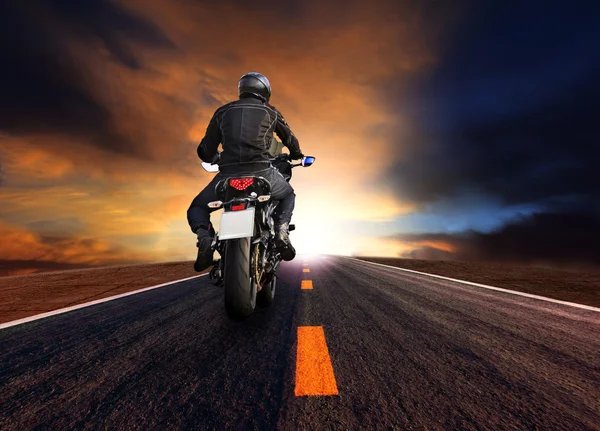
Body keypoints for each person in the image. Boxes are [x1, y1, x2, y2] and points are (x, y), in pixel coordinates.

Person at [187, 72, 304, 272]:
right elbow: (290, 139)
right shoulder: (271, 112)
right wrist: (296, 154)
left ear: (242, 90)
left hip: (227, 175)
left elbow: (205, 150)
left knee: (197, 207)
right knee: (287, 195)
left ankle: (205, 237)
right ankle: (281, 232)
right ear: (265, 91)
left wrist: (214, 158)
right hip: (262, 171)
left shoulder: (222, 112)